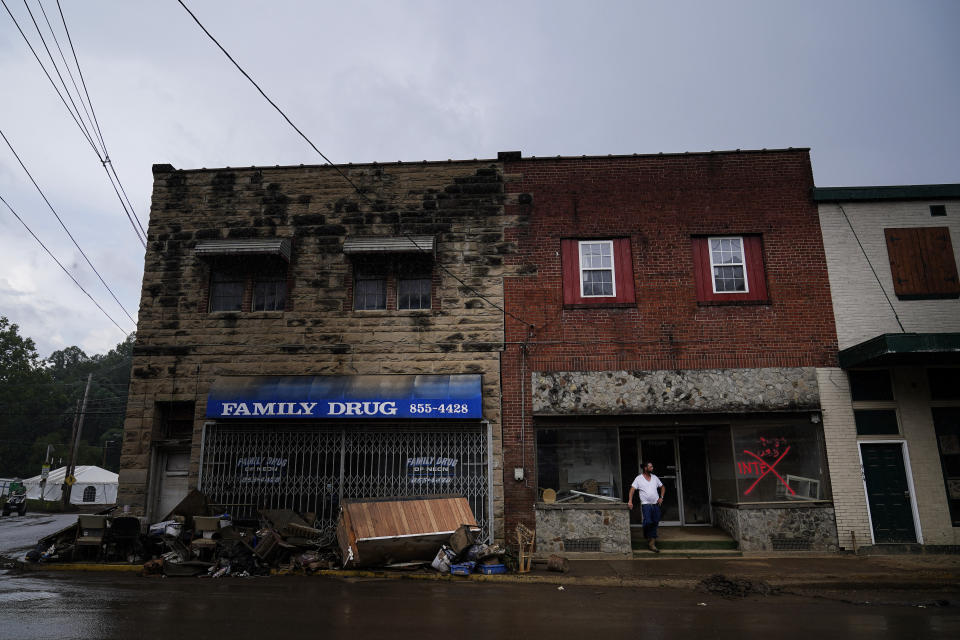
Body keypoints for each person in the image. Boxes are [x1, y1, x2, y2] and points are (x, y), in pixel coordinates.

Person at [627, 462, 665, 552]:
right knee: (648, 522)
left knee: (655, 522)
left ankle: (652, 543)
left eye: (652, 466)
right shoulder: (639, 478)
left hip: (656, 504)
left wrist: (661, 497)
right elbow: (632, 490)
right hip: (646, 505)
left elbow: (663, 487)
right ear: (645, 468)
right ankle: (647, 534)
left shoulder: (655, 478)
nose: (652, 467)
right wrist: (630, 501)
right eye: (650, 466)